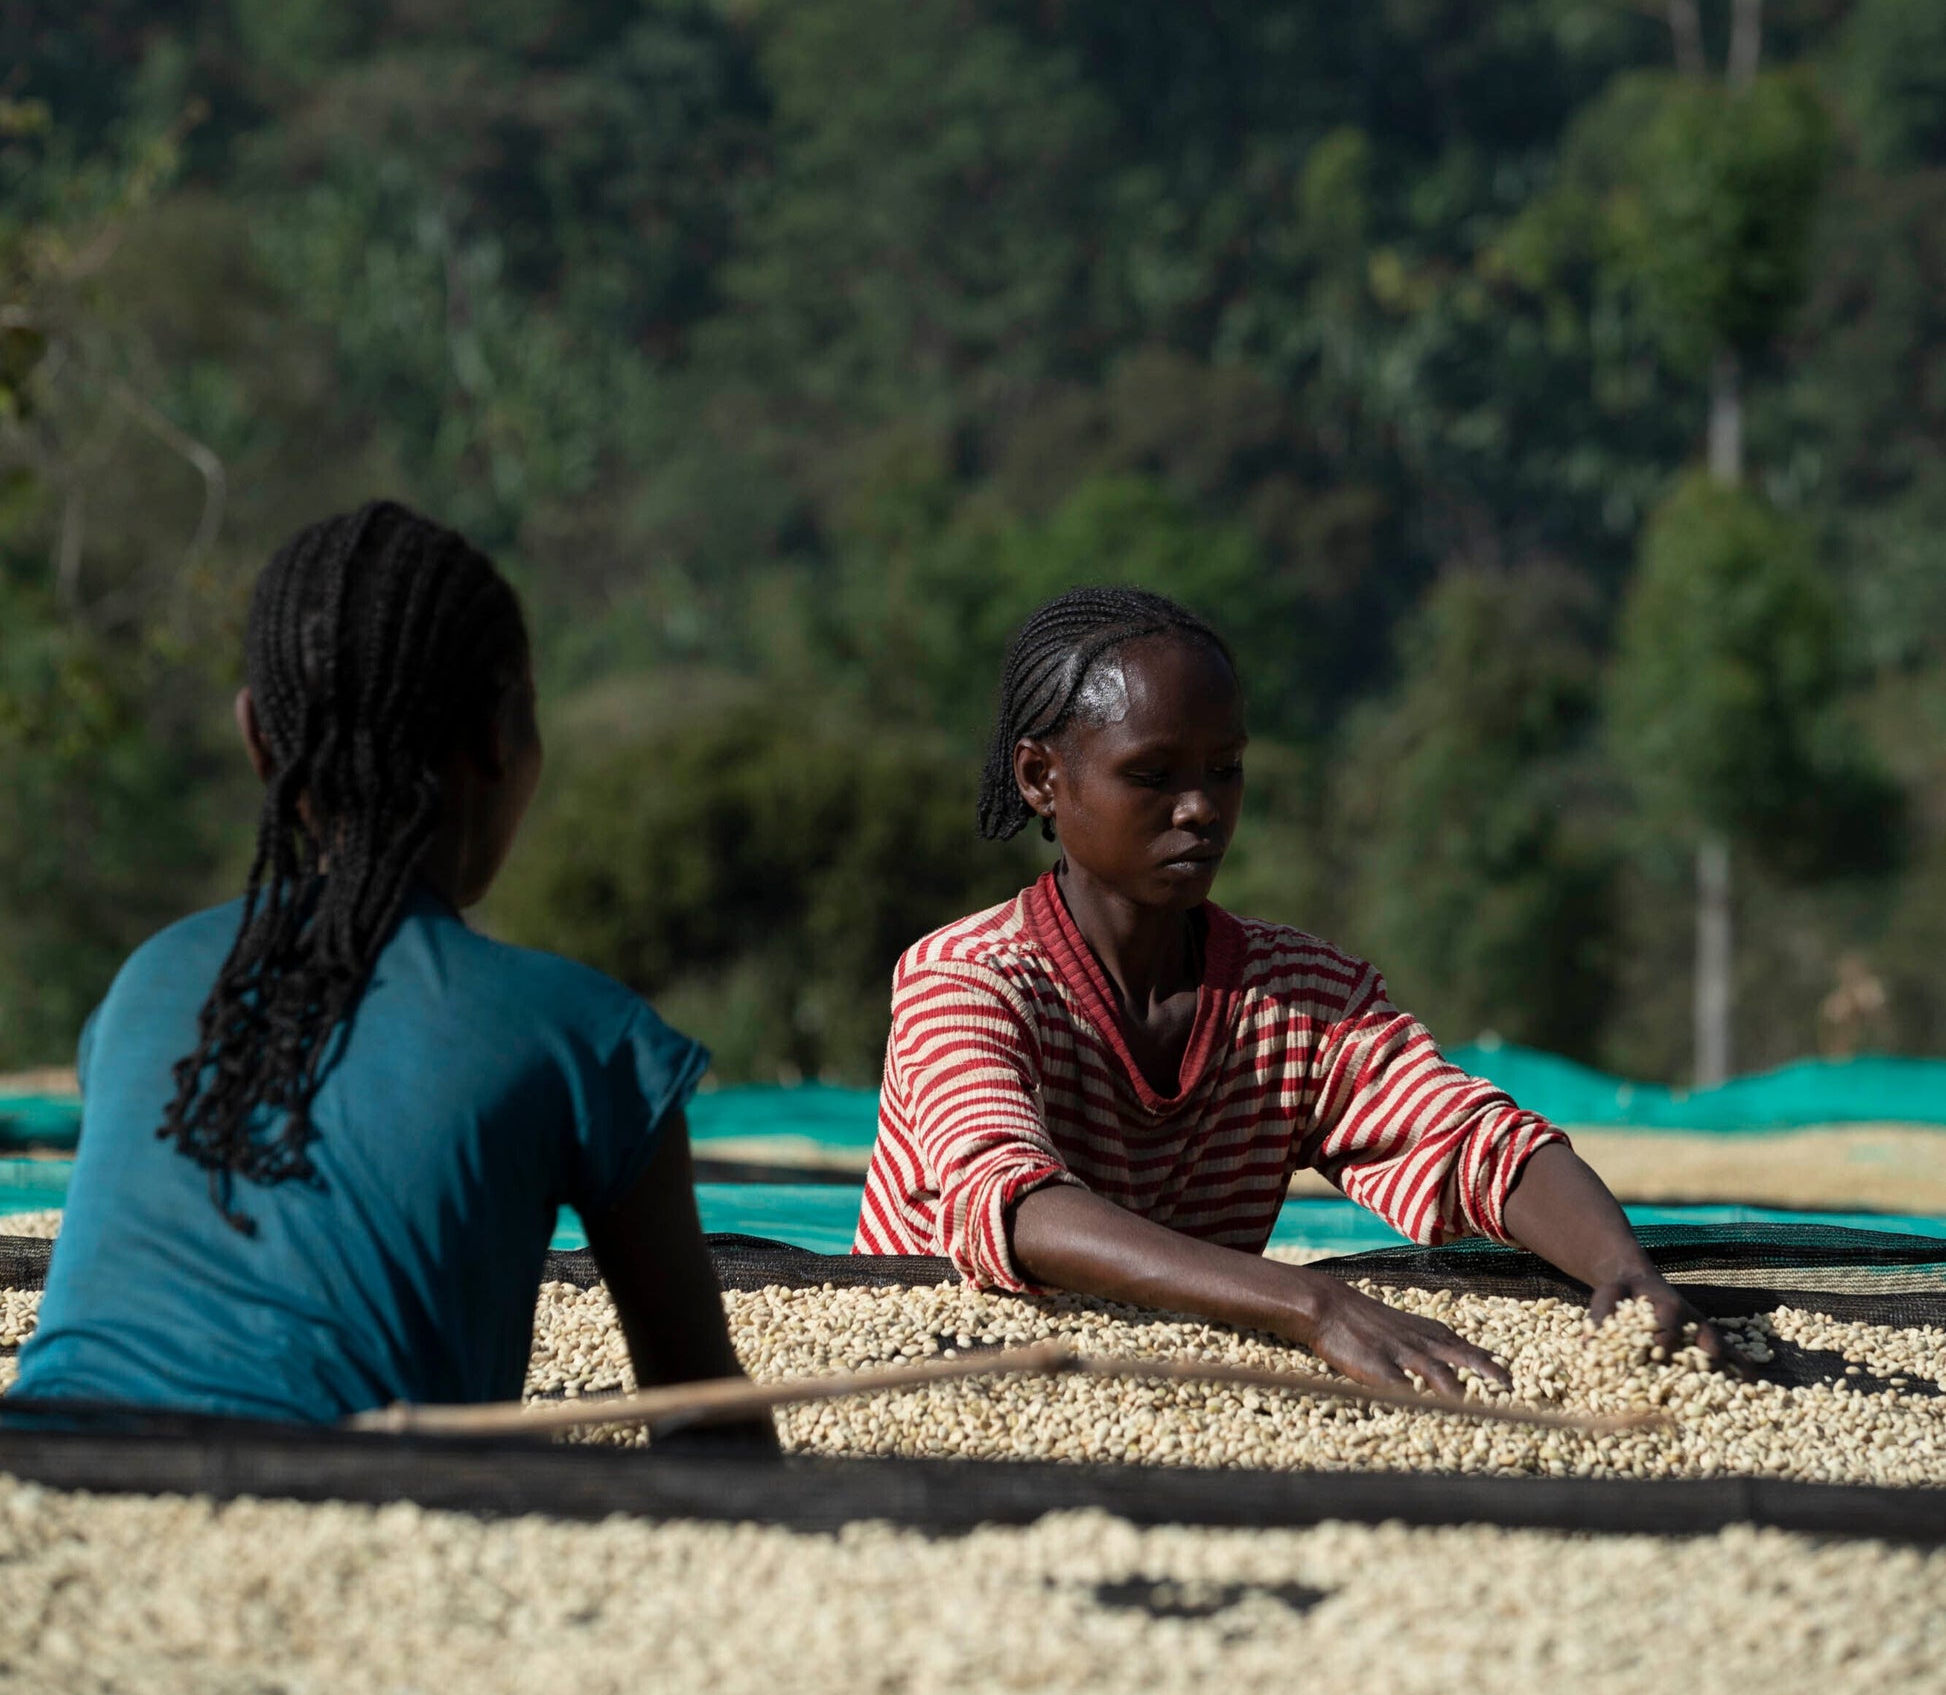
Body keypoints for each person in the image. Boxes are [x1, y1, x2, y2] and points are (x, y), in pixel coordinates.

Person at [855, 586, 1734, 1397]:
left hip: (1160, 1385)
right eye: (1153, 776)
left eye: (1225, 768)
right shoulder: (966, 978)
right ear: (1042, 779)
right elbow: (1014, 1206)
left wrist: (1624, 1271)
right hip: (932, 1369)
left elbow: (1469, 1140)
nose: (1201, 809)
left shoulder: (1296, 995)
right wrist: (1313, 1305)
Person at [15, 502, 767, 1434]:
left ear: (257, 740)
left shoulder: (146, 986)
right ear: (503, 734)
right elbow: (710, 1430)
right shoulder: (590, 1041)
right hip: (353, 1496)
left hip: (37, 1476)